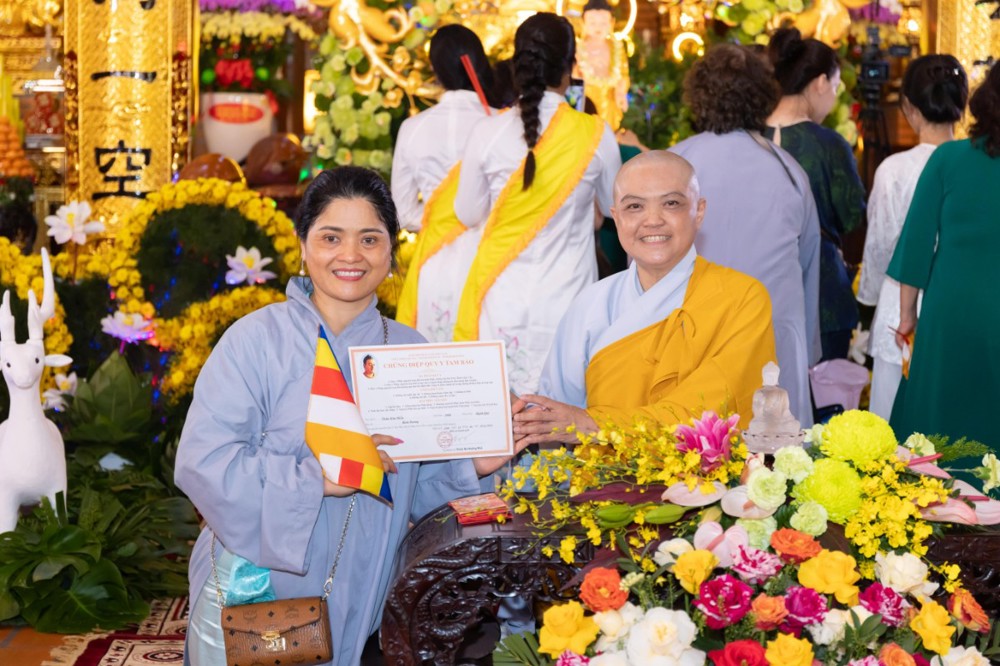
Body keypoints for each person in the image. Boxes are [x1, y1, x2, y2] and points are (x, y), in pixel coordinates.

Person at [176, 167, 514, 665]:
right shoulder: (254, 340)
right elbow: (203, 463)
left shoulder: (409, 351)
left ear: (390, 252)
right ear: (303, 245)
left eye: (369, 239)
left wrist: (471, 467)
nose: (351, 255)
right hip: (257, 587)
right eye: (331, 237)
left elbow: (416, 489)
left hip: (362, 585)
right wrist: (316, 479)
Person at [515, 151, 776, 443]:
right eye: (635, 206)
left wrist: (592, 425)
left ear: (699, 211)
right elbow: (557, 419)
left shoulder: (741, 298)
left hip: (703, 472)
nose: (652, 220)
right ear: (616, 218)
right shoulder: (590, 304)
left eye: (671, 203)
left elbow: (708, 415)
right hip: (596, 471)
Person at [453, 12, 620, 394]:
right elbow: (614, 203)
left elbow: (468, 213)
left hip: (498, 295)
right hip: (569, 299)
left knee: (501, 415)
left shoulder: (488, 132)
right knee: (565, 417)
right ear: (570, 66)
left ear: (518, 64)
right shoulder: (595, 133)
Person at [669, 43, 821, 427]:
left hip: (693, 335)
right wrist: (807, 346)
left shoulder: (674, 164)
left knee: (693, 447)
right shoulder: (788, 170)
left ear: (699, 97)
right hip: (772, 338)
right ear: (763, 98)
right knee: (775, 454)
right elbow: (808, 264)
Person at [887, 62, 1000, 452]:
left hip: (953, 309)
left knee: (940, 416)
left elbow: (916, 243)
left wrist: (907, 316)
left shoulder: (948, 159)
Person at [858, 55, 967, 420]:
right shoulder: (973, 166)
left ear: (908, 106)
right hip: (955, 310)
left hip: (898, 309)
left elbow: (879, 248)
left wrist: (867, 300)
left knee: (891, 429)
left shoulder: (894, 170)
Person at [765, 27, 867, 361]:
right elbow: (852, 217)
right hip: (821, 293)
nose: (834, 97)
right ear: (821, 82)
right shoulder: (828, 145)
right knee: (823, 390)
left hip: (757, 289)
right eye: (835, 87)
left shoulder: (748, 137)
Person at [392, 25, 495, 341]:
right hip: (492, 256)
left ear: (435, 70)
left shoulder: (413, 128)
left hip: (434, 262)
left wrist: (440, 219)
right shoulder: (501, 124)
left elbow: (403, 212)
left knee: (434, 357)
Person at [573, 0, 630, 130]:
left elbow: (623, 74)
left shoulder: (616, 47)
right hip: (587, 98)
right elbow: (573, 77)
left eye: (603, 23)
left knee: (609, 131)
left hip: (610, 99)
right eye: (592, 23)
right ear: (583, 23)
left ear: (612, 23)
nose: (598, 27)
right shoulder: (578, 48)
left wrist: (620, 92)